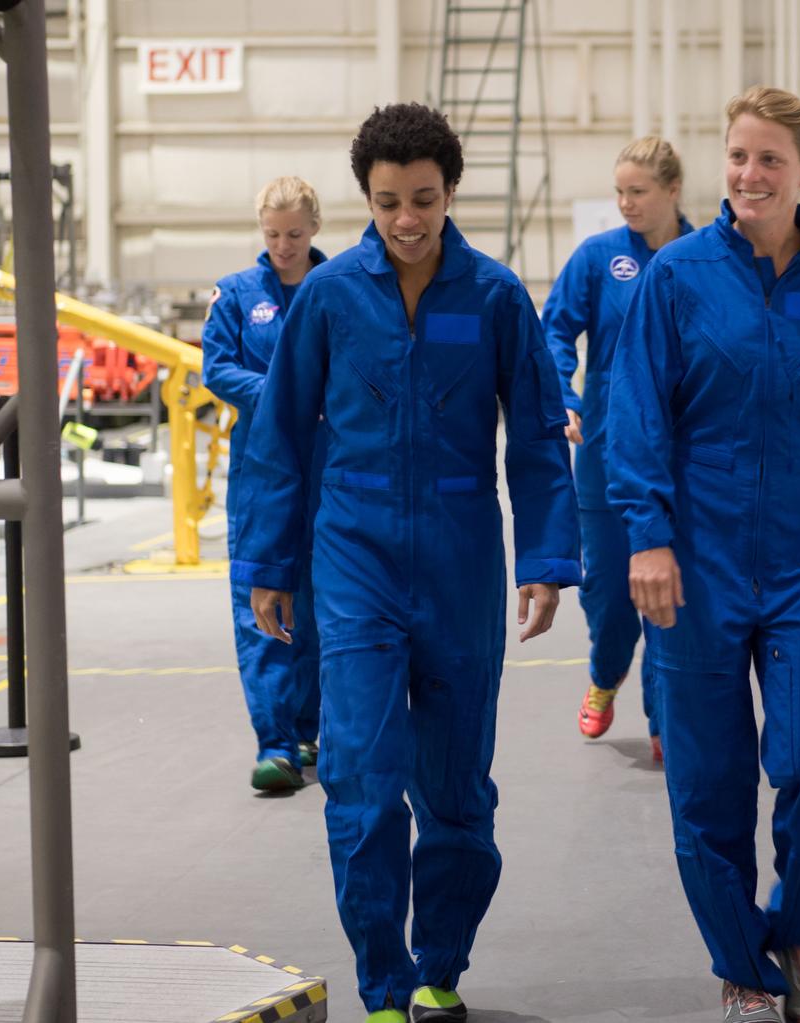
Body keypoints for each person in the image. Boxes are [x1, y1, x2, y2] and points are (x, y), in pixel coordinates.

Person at [232, 103, 581, 1023]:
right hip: (355, 560)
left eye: (423, 198)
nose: (407, 219)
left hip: (463, 564)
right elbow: (279, 438)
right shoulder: (331, 297)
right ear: (367, 199)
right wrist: (271, 560)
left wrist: (544, 558)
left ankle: (441, 965)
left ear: (450, 190)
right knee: (362, 777)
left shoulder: (497, 296)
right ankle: (383, 980)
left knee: (459, 789)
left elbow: (540, 441)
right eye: (388, 202)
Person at [605, 86, 800, 1023]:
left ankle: (794, 930)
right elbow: (636, 414)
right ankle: (744, 963)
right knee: (708, 785)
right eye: (739, 157)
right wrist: (648, 535)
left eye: (771, 161)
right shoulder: (677, 278)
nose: (749, 175)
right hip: (693, 561)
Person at [542, 136, 692, 759]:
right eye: (620, 193)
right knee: (609, 601)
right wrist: (565, 396)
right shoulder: (598, 258)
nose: (626, 204)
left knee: (668, 598)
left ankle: (665, 726)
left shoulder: (705, 256)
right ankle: (606, 675)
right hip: (605, 457)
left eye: (638, 192)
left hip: (682, 462)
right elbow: (554, 328)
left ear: (672, 191)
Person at [202, 175, 328, 792]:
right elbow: (217, 368)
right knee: (262, 603)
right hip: (264, 474)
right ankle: (275, 743)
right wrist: (282, 396)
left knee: (321, 603)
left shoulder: (341, 288)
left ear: (315, 229)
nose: (284, 245)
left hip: (334, 470)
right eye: (274, 234)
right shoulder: (236, 294)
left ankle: (310, 730)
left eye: (295, 234)